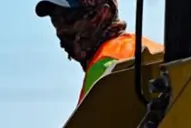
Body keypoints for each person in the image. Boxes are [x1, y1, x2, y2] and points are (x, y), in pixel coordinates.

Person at [35, 0, 163, 104]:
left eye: (69, 16)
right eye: (55, 20)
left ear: (102, 12)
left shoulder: (104, 65)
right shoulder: (154, 49)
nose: (60, 30)